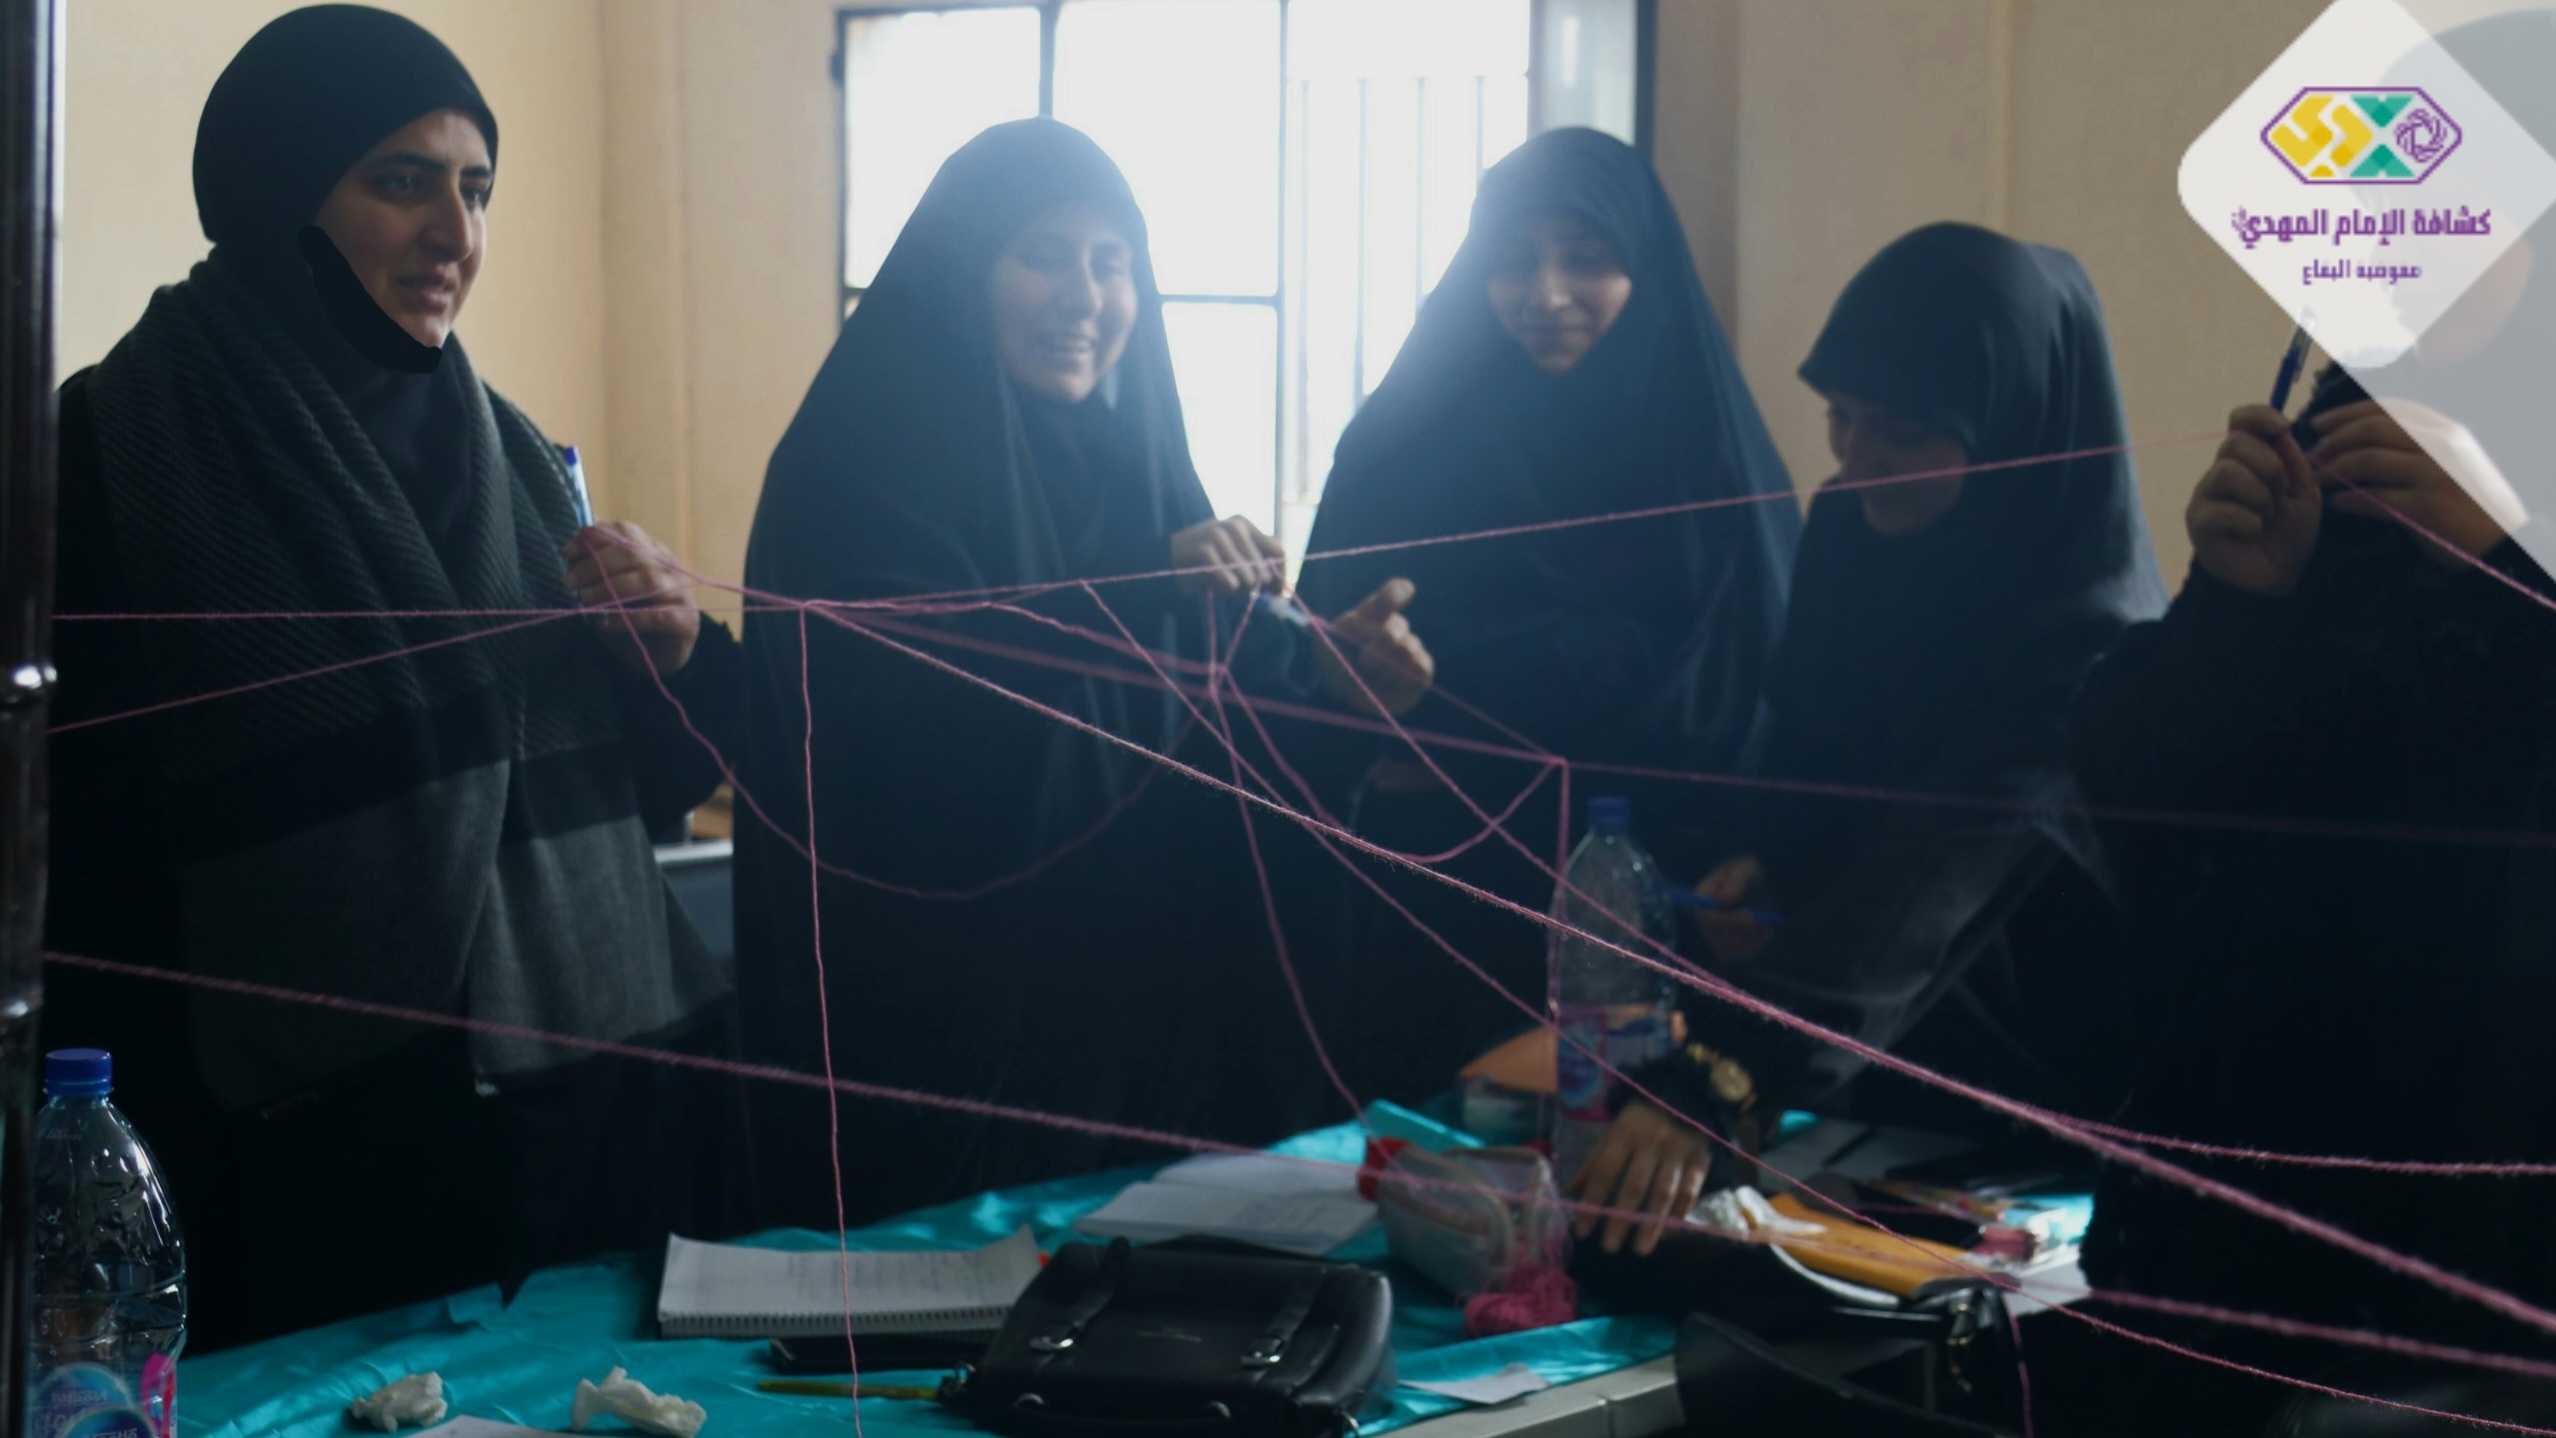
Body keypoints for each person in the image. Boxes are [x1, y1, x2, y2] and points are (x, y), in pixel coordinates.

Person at [44, 5, 753, 1349]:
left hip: (572, 1127)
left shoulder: (517, 458)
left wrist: (671, 657)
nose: (455, 236)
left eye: (476, 189)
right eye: (402, 181)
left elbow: (649, 789)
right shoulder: (117, 452)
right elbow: (82, 858)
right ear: (278, 192)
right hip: (293, 1158)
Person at [737, 119, 1433, 1227]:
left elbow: (1218, 742)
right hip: (931, 1040)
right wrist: (1133, 588)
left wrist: (1340, 702)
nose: (1086, 298)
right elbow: (895, 727)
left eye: (1114, 264)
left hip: (1132, 1042)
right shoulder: (858, 466)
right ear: (962, 271)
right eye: (1044, 256)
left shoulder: (1136, 470)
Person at [2056, 12, 2556, 1428]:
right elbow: (2137, 805)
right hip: (2241, 1223)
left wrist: (2513, 558)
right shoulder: (2341, 437)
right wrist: (2237, 603)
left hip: (2486, 1262)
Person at [1572, 223, 2165, 1257]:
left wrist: (1718, 1077)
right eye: (1841, 418)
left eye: (1901, 433)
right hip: (1852, 1065)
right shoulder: (1854, 528)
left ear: (2013, 433)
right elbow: (1810, 744)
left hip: (2032, 1097)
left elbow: (1935, 876)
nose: (1855, 460)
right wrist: (1768, 861)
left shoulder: (2083, 633)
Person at [1293, 127, 1799, 1106]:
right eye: (1514, 261)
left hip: (1653, 910)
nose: (1546, 293)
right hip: (1435, 902)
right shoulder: (1403, 444)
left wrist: (1467, 686)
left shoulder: (1705, 453)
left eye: (1586, 257)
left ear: (1642, 268)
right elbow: (1320, 672)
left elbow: (1758, 688)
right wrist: (1367, 678)